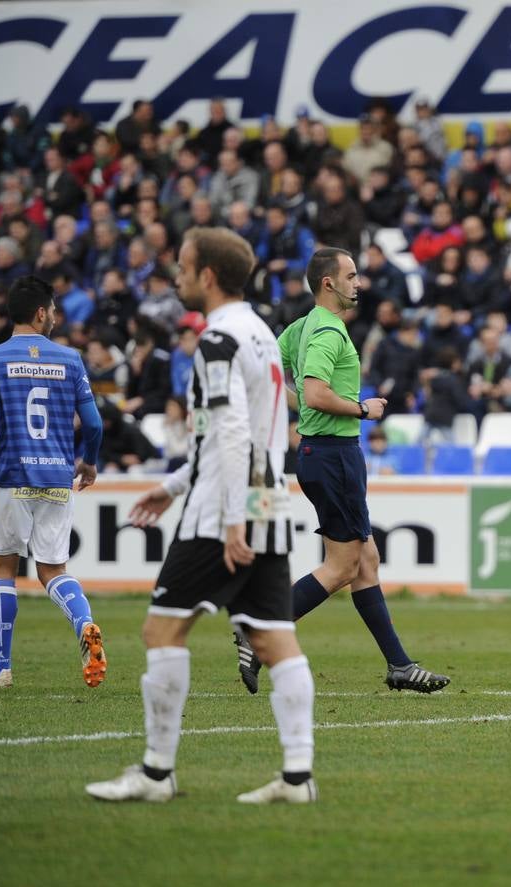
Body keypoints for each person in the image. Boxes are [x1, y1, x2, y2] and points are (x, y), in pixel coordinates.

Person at [85, 227, 316, 804]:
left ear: (207, 275)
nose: (177, 276)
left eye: (183, 267)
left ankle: (157, 773)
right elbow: (235, 433)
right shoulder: (261, 334)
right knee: (273, 638)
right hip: (267, 498)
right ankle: (297, 778)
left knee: (162, 628)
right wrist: (170, 486)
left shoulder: (216, 339)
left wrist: (231, 518)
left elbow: (231, 430)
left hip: (223, 508)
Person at [242, 247, 450, 694]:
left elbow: (276, 377)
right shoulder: (329, 331)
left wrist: (309, 417)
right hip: (334, 455)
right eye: (352, 275)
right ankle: (258, 629)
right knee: (342, 567)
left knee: (366, 559)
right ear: (328, 284)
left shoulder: (299, 328)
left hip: (324, 453)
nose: (359, 283)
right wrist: (361, 409)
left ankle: (398, 665)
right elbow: (315, 393)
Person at [0, 276, 106, 689]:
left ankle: (0, 668)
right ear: (41, 313)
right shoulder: (70, 358)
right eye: (54, 310)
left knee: (3, 567)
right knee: (53, 569)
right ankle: (84, 622)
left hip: (12, 475)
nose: (56, 317)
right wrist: (90, 463)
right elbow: (95, 423)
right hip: (57, 475)